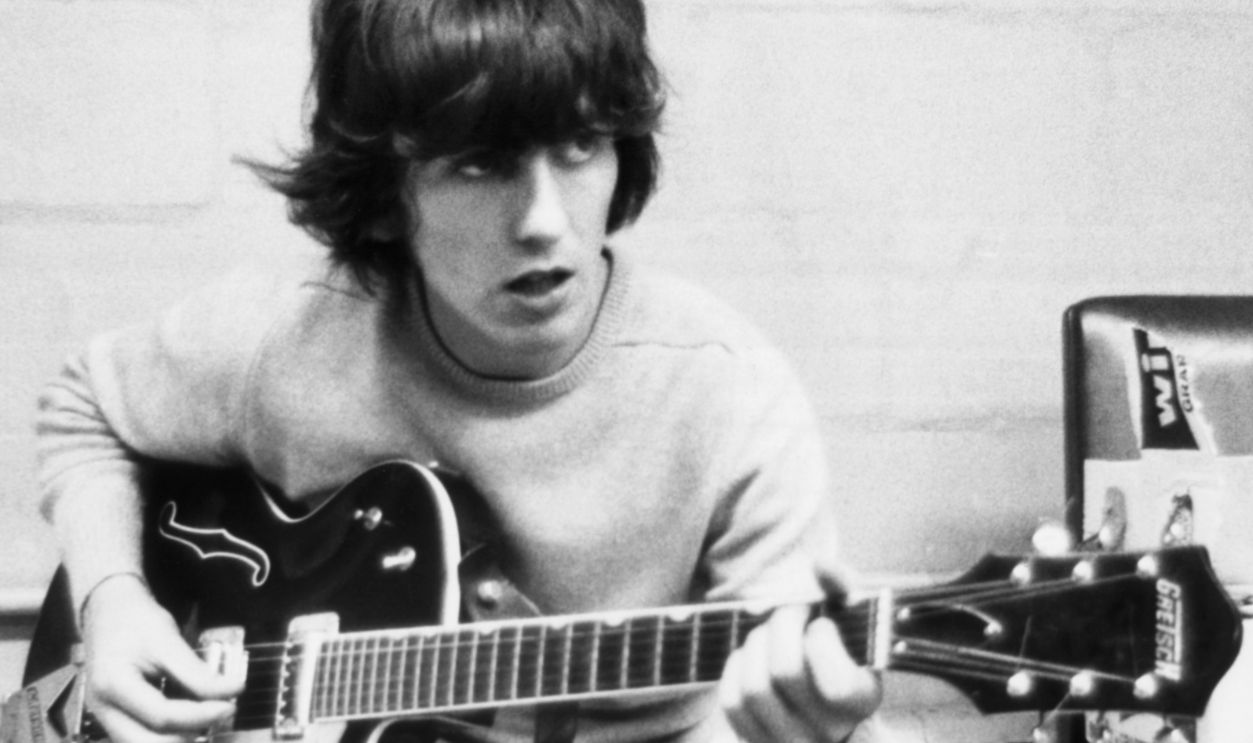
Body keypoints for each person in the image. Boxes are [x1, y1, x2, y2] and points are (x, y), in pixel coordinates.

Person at [35, 0, 885, 741]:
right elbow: (83, 407)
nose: (546, 221)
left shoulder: (730, 396)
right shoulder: (292, 334)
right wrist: (111, 599)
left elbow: (791, 676)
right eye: (482, 163)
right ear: (385, 191)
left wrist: (817, 724)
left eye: (582, 144)